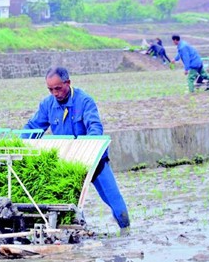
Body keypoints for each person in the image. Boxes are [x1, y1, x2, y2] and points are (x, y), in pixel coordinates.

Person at [23, 66, 130, 231]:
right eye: (50, 89)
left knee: (115, 202)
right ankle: (81, 232)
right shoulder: (47, 104)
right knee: (70, 206)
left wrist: (89, 145)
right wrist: (19, 143)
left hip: (94, 160)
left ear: (68, 83)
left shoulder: (84, 101)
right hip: (69, 164)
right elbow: (33, 127)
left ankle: (126, 229)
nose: (55, 93)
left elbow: (94, 126)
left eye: (58, 88)